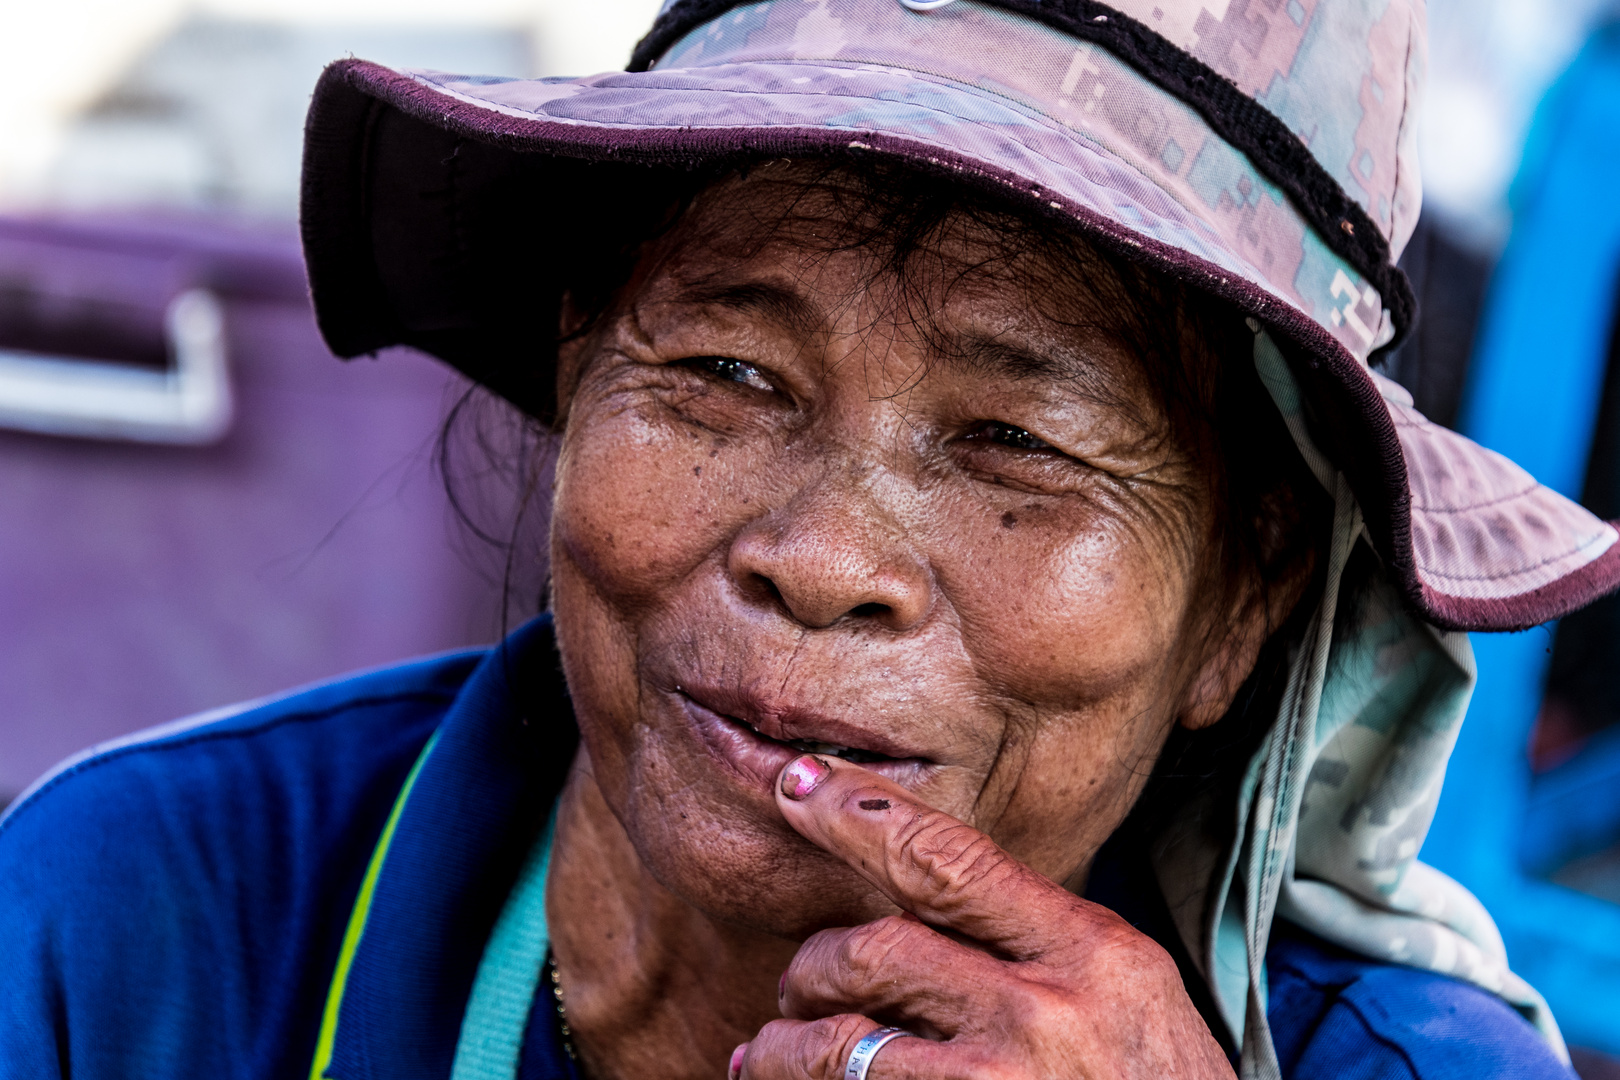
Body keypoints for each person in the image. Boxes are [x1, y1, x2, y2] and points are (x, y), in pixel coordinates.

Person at [0, 1, 1609, 1078]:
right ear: (579, 368)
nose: (824, 556)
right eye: (724, 373)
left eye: (1015, 445)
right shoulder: (143, 922)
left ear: (1240, 603)